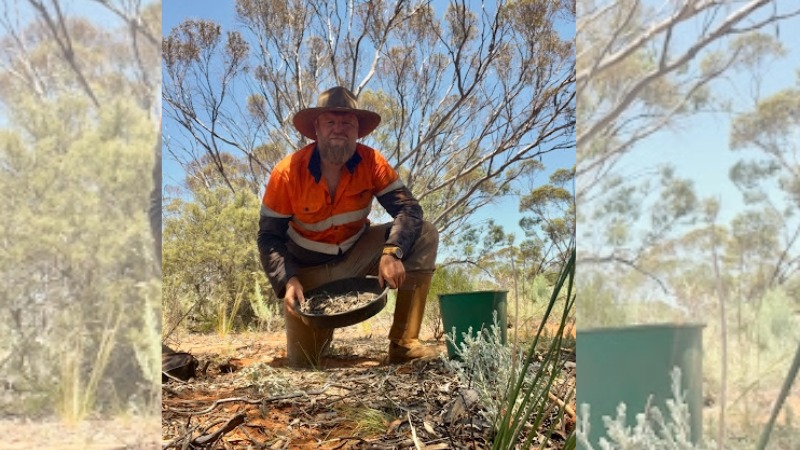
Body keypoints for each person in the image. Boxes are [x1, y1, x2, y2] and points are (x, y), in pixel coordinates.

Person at [257, 86, 440, 368]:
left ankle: (404, 345)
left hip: (357, 254)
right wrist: (287, 281)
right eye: (330, 122)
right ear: (316, 128)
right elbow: (270, 237)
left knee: (425, 233)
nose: (338, 129)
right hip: (308, 273)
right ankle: (316, 334)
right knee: (304, 364)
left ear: (358, 131)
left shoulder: (372, 162)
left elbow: (409, 209)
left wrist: (392, 252)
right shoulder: (287, 172)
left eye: (347, 123)